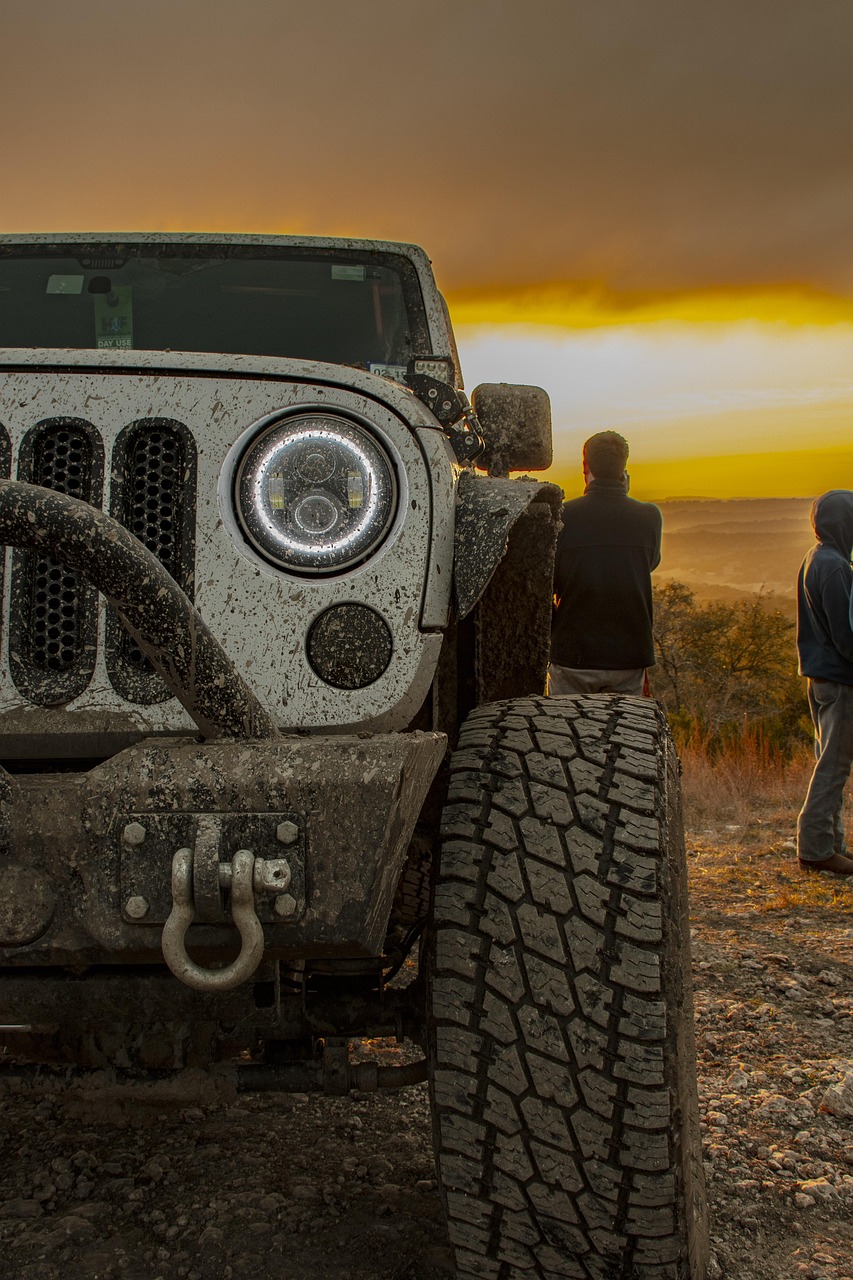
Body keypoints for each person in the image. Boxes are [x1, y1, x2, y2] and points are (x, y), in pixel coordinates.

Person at [549, 430, 662, 697]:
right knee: (623, 736)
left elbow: (549, 582)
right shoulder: (648, 517)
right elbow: (650, 563)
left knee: (562, 735)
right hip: (629, 656)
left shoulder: (564, 516)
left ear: (585, 467)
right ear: (624, 467)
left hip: (572, 655)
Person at [796, 489, 853, 875]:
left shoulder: (815, 557)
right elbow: (846, 636)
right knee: (833, 767)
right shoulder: (834, 567)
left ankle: (831, 844)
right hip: (840, 678)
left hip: (820, 676)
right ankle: (816, 849)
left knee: (828, 762)